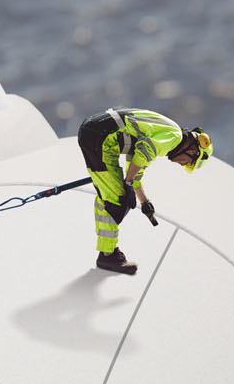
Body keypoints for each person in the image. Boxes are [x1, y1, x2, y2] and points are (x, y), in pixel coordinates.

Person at [76, 108, 213, 274]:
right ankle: (108, 256)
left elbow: (136, 169)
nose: (182, 164)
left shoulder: (167, 132)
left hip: (95, 133)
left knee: (109, 196)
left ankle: (106, 251)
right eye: (187, 162)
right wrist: (127, 185)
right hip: (101, 138)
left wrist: (144, 202)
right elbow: (143, 155)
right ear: (192, 151)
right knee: (118, 199)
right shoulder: (174, 138)